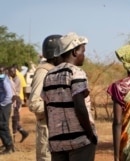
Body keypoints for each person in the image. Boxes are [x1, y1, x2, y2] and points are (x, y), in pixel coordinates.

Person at [42, 32, 97, 161]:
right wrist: (90, 134)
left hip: (57, 142)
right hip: (80, 140)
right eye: (83, 51)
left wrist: (54, 134)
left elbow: (47, 109)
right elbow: (79, 106)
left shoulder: (49, 75)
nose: (84, 55)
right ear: (74, 52)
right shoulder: (76, 72)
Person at [28, 34, 62, 161]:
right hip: (47, 128)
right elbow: (34, 103)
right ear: (57, 53)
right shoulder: (43, 71)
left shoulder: (56, 70)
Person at [8, 66, 29, 143]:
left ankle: (12, 139)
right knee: (13, 118)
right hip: (14, 99)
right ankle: (24, 132)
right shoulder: (12, 79)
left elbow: (15, 92)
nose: (11, 73)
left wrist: (25, 98)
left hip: (16, 99)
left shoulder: (17, 79)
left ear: (15, 71)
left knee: (15, 118)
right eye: (10, 72)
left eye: (12, 71)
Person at [0, 65, 14, 154]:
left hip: (4, 105)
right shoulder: (2, 80)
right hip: (3, 105)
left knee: (2, 125)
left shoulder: (4, 80)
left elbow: (9, 95)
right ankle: (8, 145)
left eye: (1, 71)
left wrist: (1, 104)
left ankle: (9, 146)